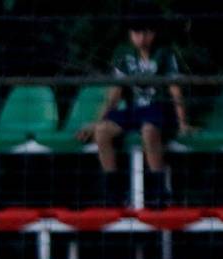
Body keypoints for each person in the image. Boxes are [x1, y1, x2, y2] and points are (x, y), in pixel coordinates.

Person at [77, 13, 194, 207]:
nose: (141, 37)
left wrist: (182, 123)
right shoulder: (124, 54)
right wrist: (96, 123)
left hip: (159, 109)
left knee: (149, 130)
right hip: (134, 110)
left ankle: (159, 192)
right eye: (136, 33)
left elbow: (175, 90)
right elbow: (114, 95)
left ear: (153, 33)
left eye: (145, 33)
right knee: (102, 131)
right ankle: (113, 194)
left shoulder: (165, 53)